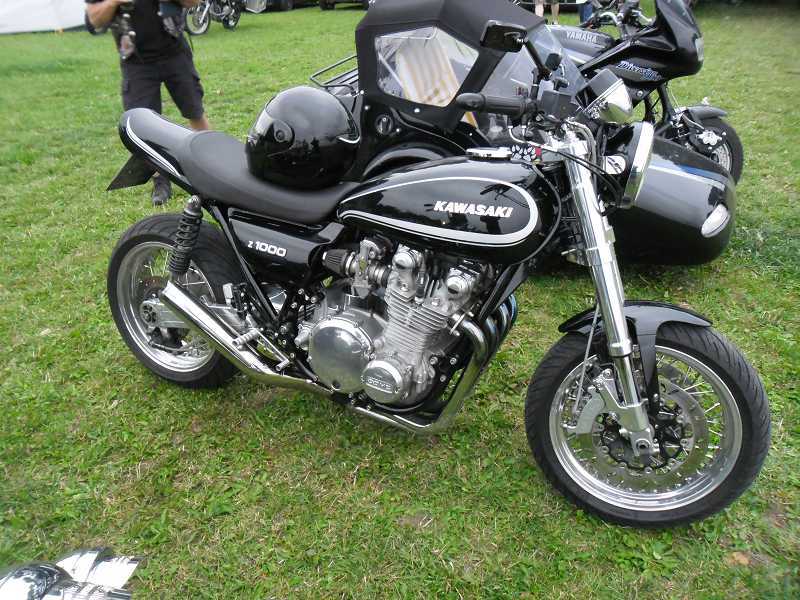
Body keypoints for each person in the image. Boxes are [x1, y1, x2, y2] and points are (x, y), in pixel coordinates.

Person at [85, 0, 209, 205]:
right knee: (144, 126)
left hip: (175, 52)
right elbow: (95, 19)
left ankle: (209, 167)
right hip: (136, 60)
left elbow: (194, 2)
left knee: (194, 111)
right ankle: (161, 181)